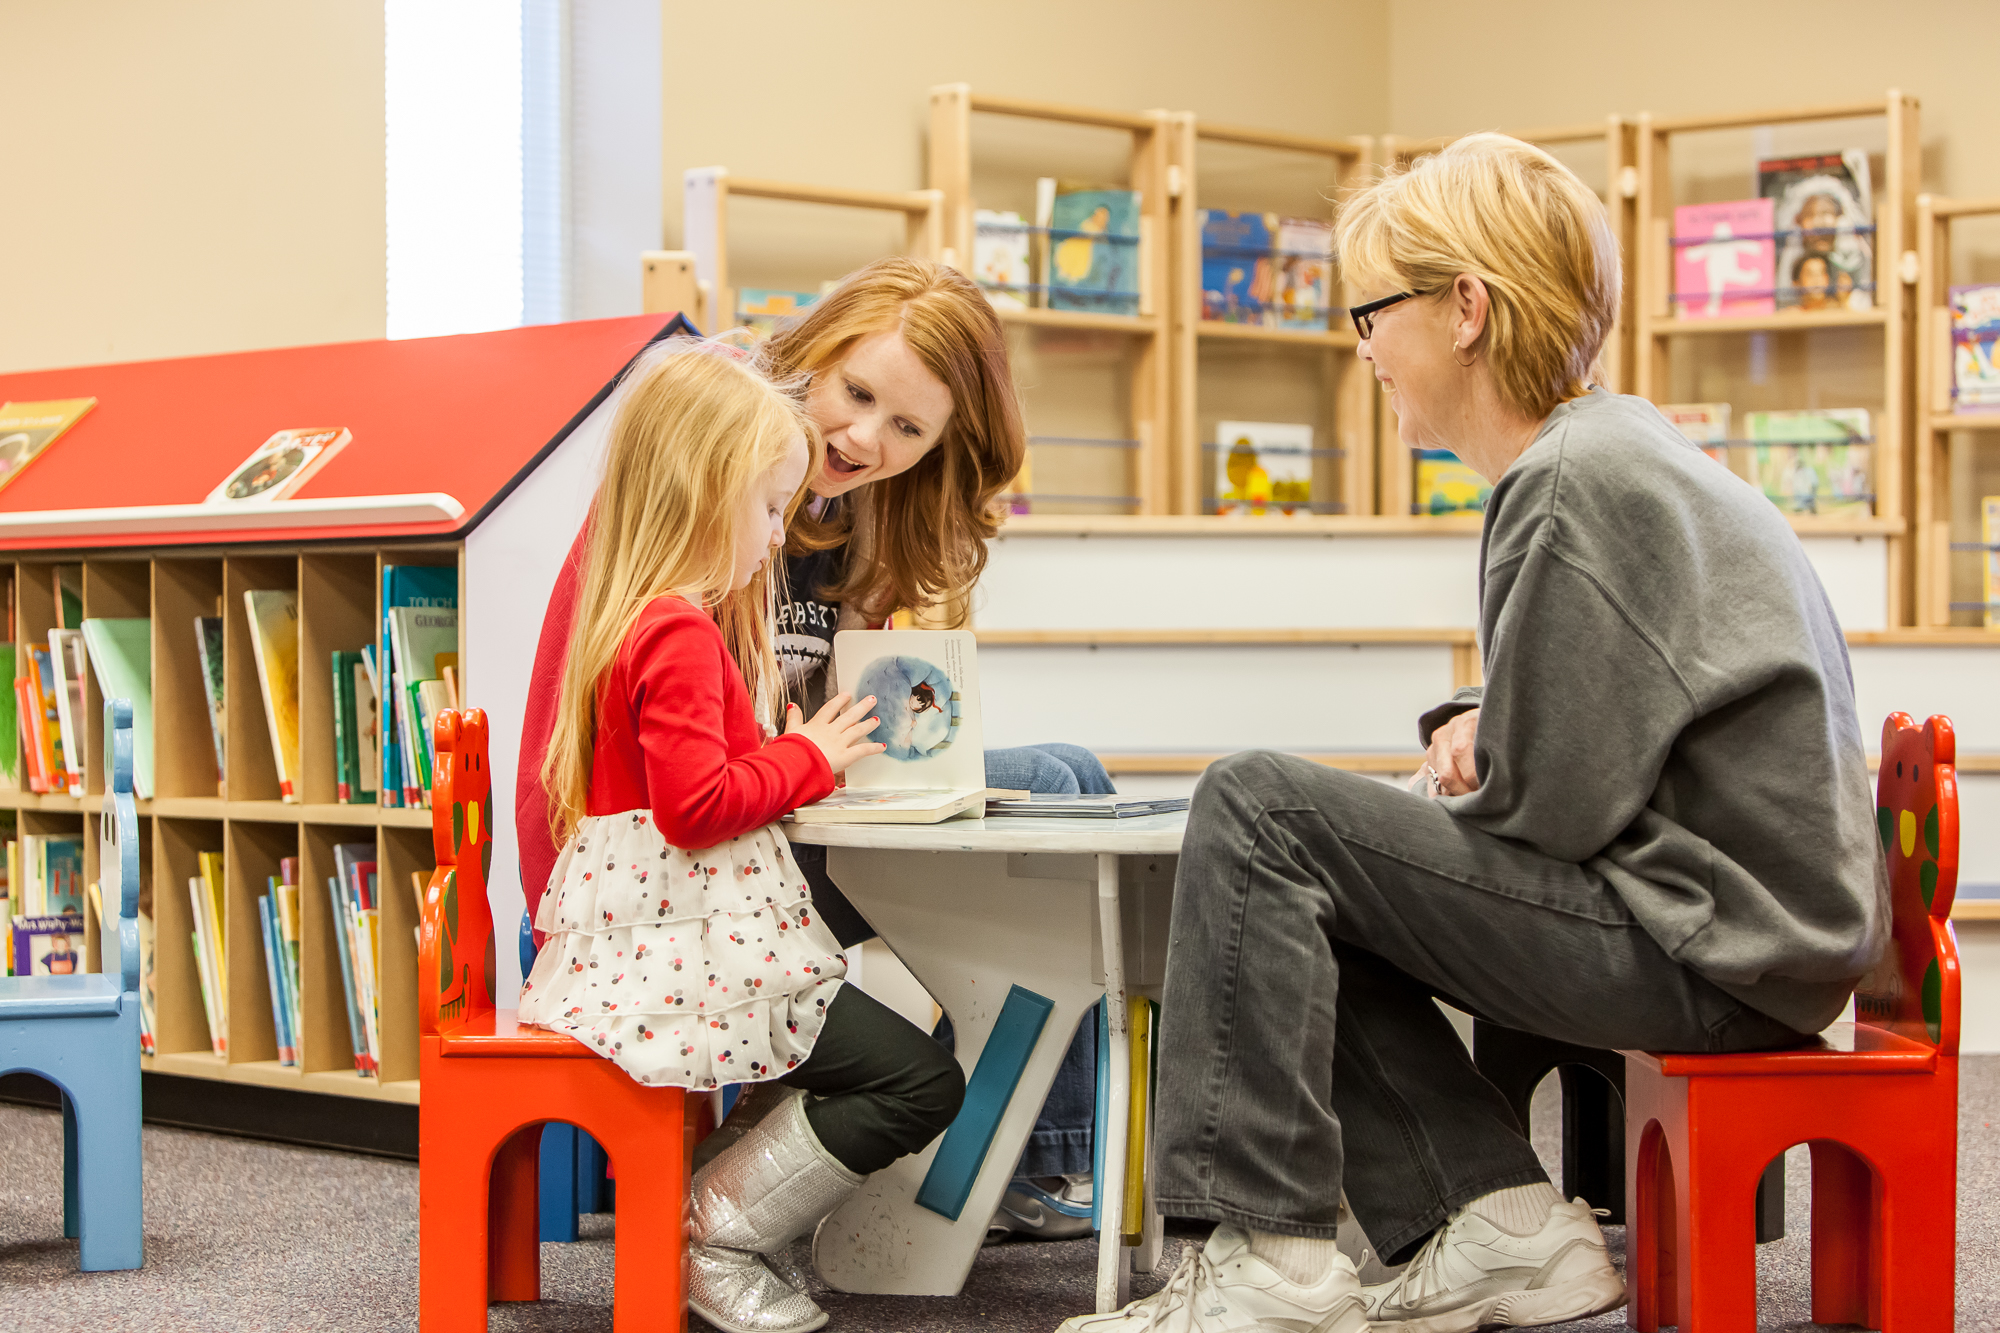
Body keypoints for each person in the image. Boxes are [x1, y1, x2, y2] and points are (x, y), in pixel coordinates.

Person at [1064, 133, 1886, 1333]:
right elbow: (1620, 720)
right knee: (1307, 857)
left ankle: (1268, 1261)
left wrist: (1473, 771)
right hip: (1751, 935)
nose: (1360, 347)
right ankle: (1493, 1220)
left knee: (1257, 810)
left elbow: (1544, 814)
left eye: (1370, 312)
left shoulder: (1565, 483)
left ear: (1464, 307)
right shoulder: (1614, 450)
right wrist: (1481, 734)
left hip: (1710, 943)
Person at [516, 257, 1114, 1243]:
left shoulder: (847, 514)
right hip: (656, 865)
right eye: (857, 392)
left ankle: (1041, 1150)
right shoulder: (716, 482)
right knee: (1056, 784)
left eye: (907, 430)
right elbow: (688, 770)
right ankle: (1033, 1155)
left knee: (1070, 772)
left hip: (758, 818)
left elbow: (826, 731)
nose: (863, 438)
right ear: (814, 357)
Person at [515, 341, 964, 1333]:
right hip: (687, 956)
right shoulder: (676, 632)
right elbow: (695, 806)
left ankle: (709, 1223)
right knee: (915, 1078)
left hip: (671, 944)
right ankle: (712, 1231)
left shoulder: (638, 616)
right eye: (766, 508)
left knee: (891, 1063)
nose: (777, 537)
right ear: (699, 493)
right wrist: (809, 754)